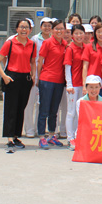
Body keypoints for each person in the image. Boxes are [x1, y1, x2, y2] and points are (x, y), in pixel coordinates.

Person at [0, 19, 36, 152]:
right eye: (21, 27)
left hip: (25, 79)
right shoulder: (10, 43)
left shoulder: (32, 44)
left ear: (30, 30)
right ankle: (9, 138)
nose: (24, 30)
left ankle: (16, 136)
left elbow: (33, 61)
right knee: (10, 109)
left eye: (26, 27)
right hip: (12, 78)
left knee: (20, 108)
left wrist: (33, 75)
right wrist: (4, 76)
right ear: (17, 29)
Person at [36, 19, 68, 149]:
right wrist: (38, 78)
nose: (59, 31)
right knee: (44, 109)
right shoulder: (47, 42)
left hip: (59, 81)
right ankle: (41, 137)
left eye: (62, 29)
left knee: (54, 111)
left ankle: (51, 135)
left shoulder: (65, 44)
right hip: (47, 80)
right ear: (52, 30)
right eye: (57, 29)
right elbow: (40, 61)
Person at [23, 17, 53, 138]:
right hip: (34, 73)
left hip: (46, 75)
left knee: (41, 103)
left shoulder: (53, 39)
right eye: (45, 25)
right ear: (40, 27)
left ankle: (38, 128)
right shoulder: (35, 39)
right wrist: (33, 74)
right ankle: (29, 129)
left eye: (49, 25)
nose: (47, 28)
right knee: (30, 103)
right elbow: (31, 58)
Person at [62, 24, 87, 150]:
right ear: (72, 35)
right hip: (73, 86)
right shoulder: (70, 48)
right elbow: (67, 67)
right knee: (71, 112)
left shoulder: (86, 47)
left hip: (83, 86)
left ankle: (78, 136)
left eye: (81, 33)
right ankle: (70, 138)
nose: (79, 36)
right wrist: (69, 84)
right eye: (76, 33)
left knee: (80, 112)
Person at [71, 75, 102, 150]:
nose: (94, 90)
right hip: (85, 132)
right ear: (86, 88)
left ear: (100, 88)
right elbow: (82, 120)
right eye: (91, 87)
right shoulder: (80, 102)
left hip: (99, 132)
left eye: (96, 87)